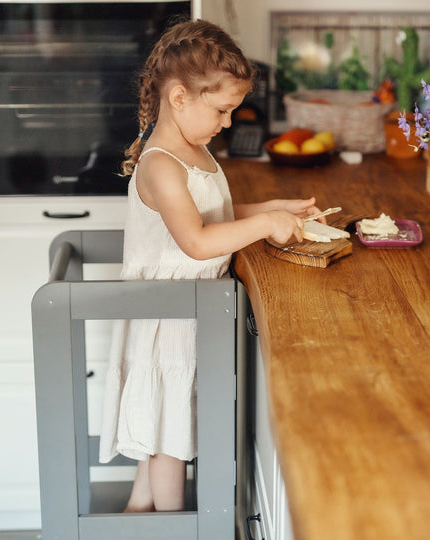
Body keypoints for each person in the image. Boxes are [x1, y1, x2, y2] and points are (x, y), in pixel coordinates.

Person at [98, 18, 324, 513]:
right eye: (222, 110)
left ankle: (139, 516)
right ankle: (176, 524)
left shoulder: (194, 149)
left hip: (187, 315)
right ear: (179, 98)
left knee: (162, 429)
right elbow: (198, 242)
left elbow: (214, 218)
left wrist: (272, 209)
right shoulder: (162, 164)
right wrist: (267, 228)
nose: (227, 123)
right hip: (166, 320)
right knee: (171, 441)